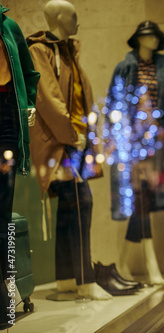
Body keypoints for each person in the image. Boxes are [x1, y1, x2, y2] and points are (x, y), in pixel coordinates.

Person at [26, 0, 111, 300]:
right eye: (72, 15)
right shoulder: (41, 51)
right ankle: (85, 281)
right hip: (61, 143)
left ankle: (66, 282)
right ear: (57, 18)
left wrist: (86, 135)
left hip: (76, 140)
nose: (78, 20)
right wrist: (71, 134)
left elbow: (79, 96)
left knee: (69, 207)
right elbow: (47, 98)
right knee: (80, 202)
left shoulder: (68, 52)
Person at [105, 20, 164, 285]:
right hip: (131, 143)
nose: (154, 40)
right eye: (148, 36)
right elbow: (115, 104)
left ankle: (123, 263)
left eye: (156, 36)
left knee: (142, 201)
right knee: (141, 200)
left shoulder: (163, 69)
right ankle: (149, 263)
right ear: (138, 39)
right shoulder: (125, 67)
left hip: (154, 143)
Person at [0, 4, 39, 328]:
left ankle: (8, 296)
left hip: (8, 123)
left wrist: (30, 103)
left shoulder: (9, 27)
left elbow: (29, 72)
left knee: (2, 218)